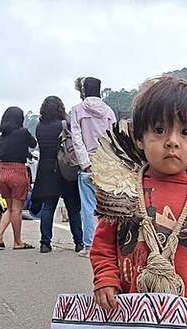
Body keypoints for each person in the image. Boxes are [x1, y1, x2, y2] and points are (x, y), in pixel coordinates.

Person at [90, 76, 187, 325]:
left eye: (185, 132)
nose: (172, 141)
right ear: (140, 138)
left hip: (185, 317)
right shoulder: (122, 190)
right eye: (159, 130)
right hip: (127, 314)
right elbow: (103, 244)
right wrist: (105, 278)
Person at [70, 76, 116, 256]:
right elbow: (113, 139)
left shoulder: (77, 110)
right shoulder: (109, 111)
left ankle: (90, 245)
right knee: (108, 207)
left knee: (88, 207)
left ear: (84, 90)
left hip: (88, 166)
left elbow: (76, 138)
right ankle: (109, 246)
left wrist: (85, 163)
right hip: (106, 165)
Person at [31, 95, 83, 253]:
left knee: (48, 207)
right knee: (72, 207)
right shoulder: (64, 124)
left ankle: (45, 243)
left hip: (46, 170)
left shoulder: (39, 127)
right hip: (65, 168)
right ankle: (79, 242)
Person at [0, 106, 37, 250]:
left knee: (9, 208)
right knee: (17, 210)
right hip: (17, 171)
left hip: (3, 173)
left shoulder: (1, 138)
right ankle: (18, 242)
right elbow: (34, 143)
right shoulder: (23, 132)